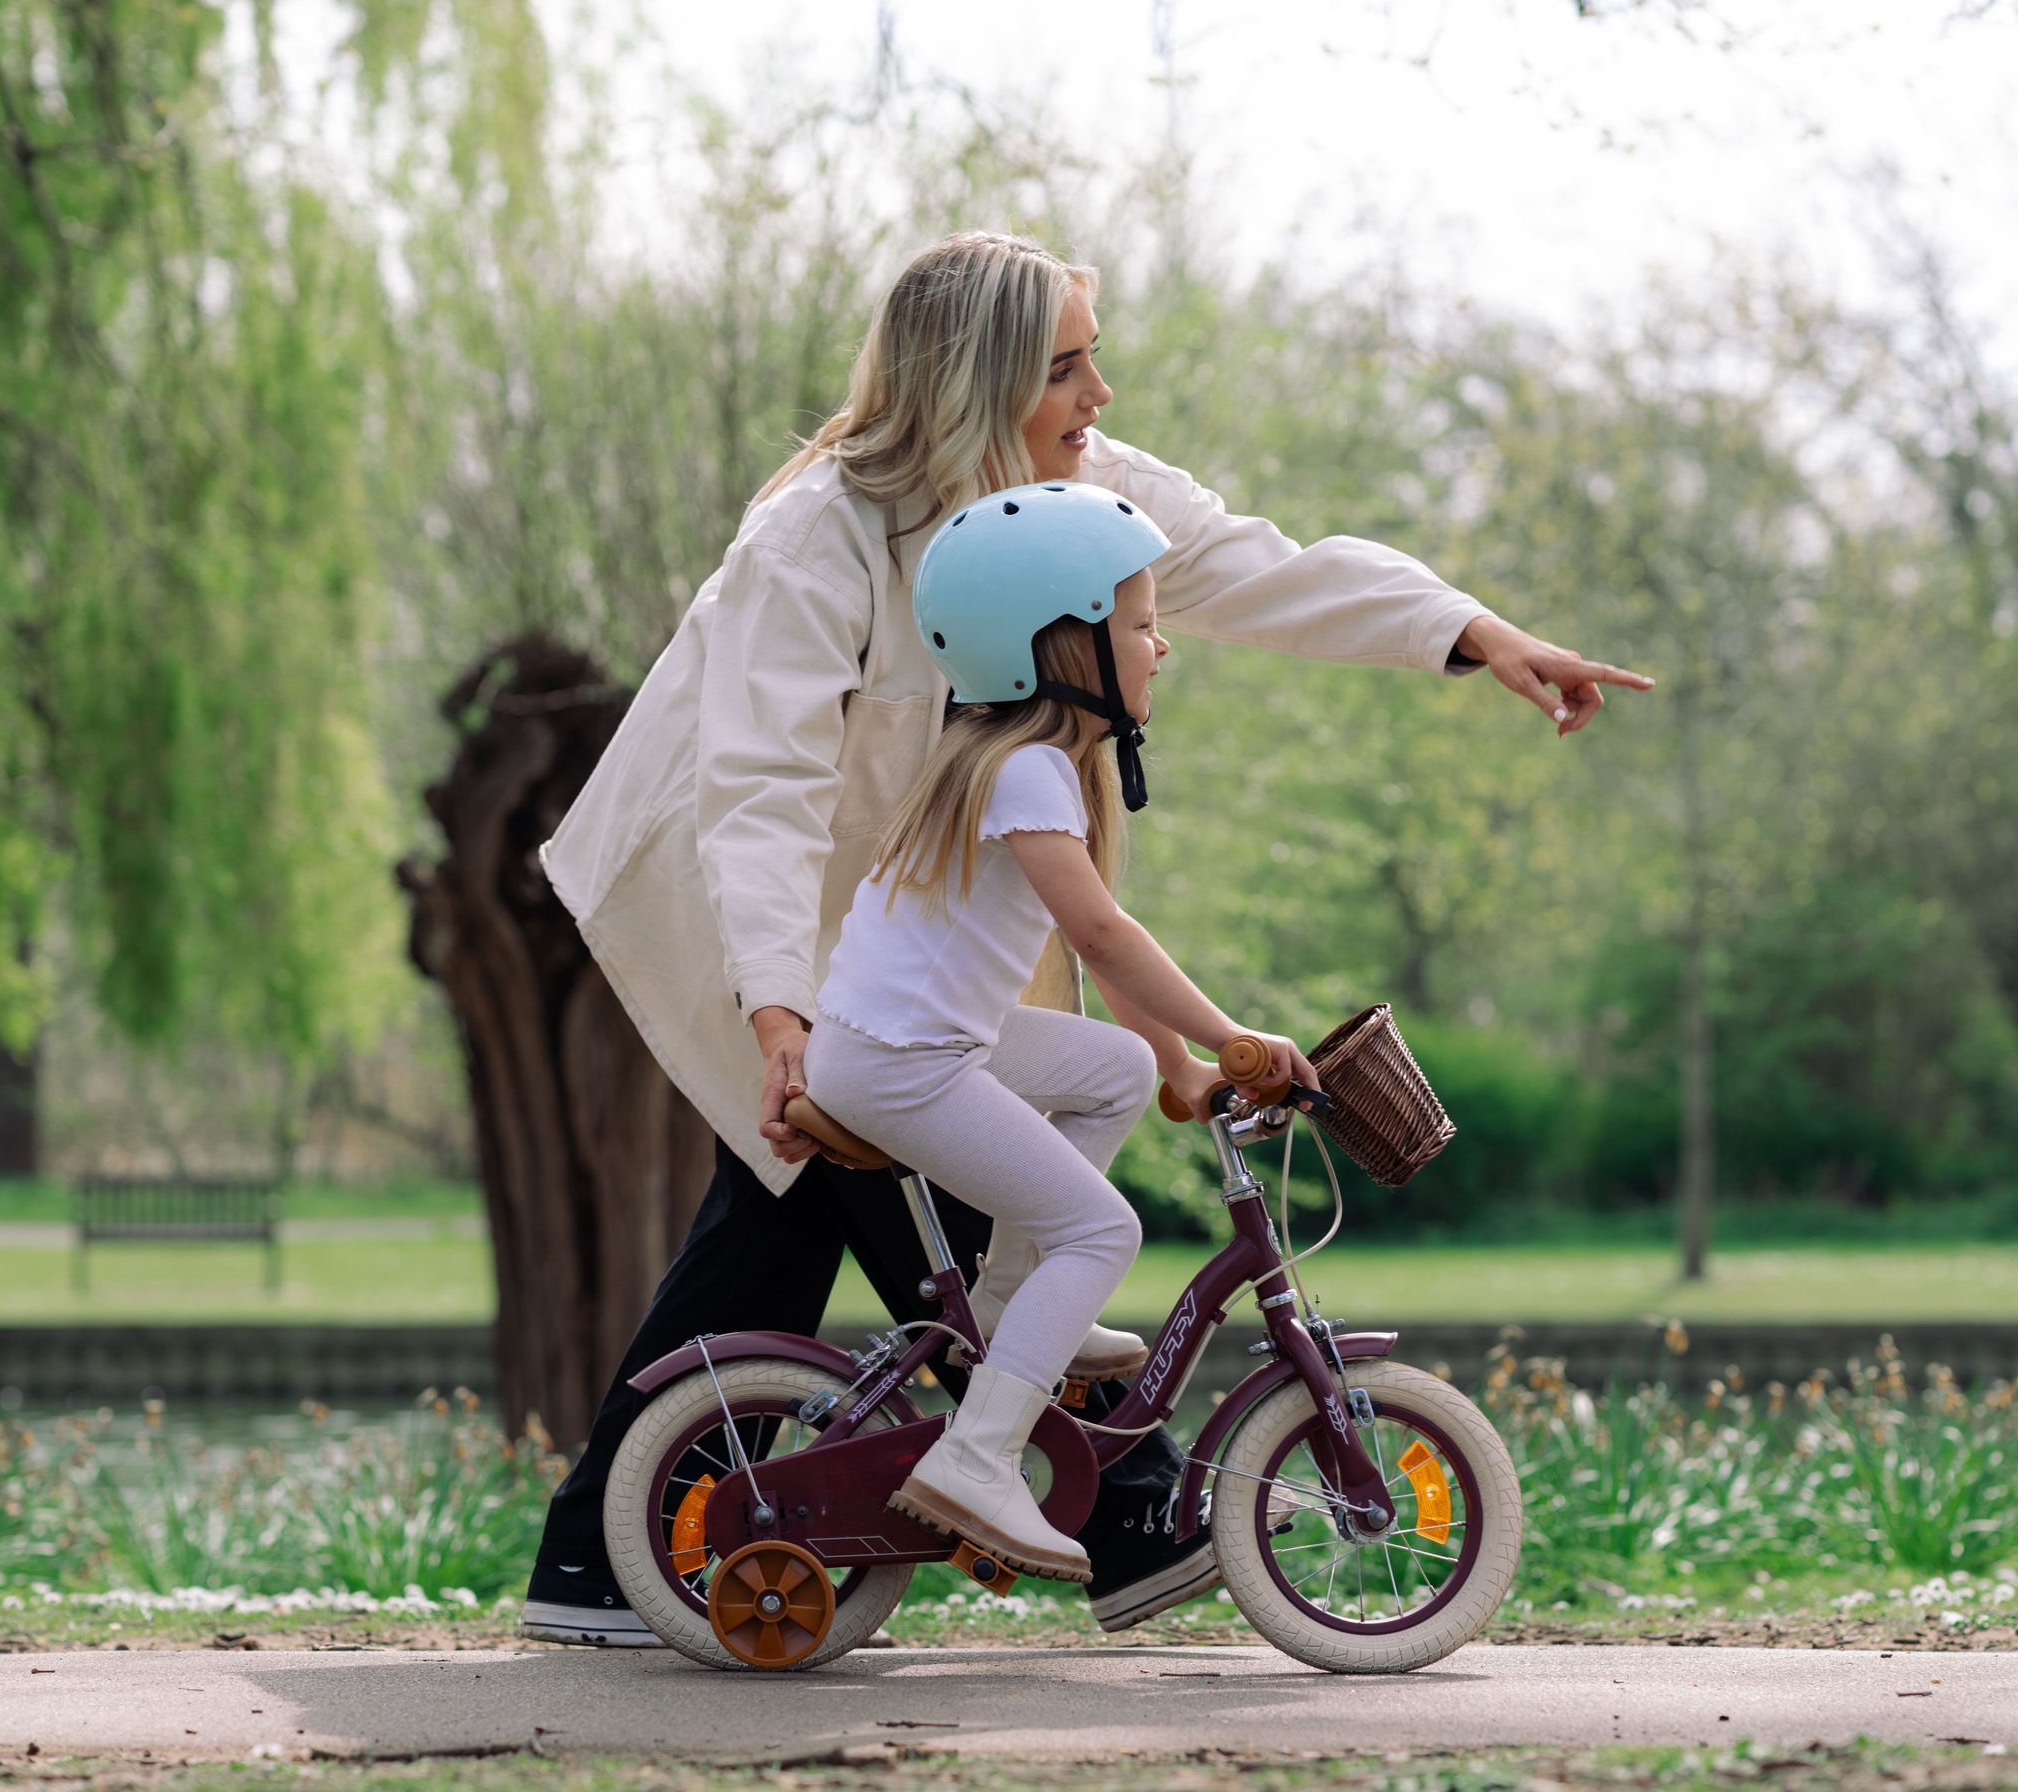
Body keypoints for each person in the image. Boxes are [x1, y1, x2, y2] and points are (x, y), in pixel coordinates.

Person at [525, 230, 1650, 1647]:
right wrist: (773, 1014)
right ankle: (1119, 1512)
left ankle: (613, 1561)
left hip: (907, 925)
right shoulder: (817, 533)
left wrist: (1476, 633)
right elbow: (759, 794)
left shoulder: (1080, 493)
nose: (1101, 393)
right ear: (978, 381)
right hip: (750, 897)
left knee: (807, 1216)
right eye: (1066, 366)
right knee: (920, 1190)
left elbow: (1259, 568)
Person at [809, 481, 1321, 1581]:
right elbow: (1099, 932)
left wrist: (1182, 1061)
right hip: (904, 1063)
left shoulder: (1000, 758)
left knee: (1115, 1067)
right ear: (1057, 646)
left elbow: (1102, 950)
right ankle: (979, 1457)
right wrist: (1235, 1037)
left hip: (910, 1043)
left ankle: (1006, 1304)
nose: (1161, 647)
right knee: (1104, 1234)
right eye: (1139, 624)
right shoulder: (1029, 769)